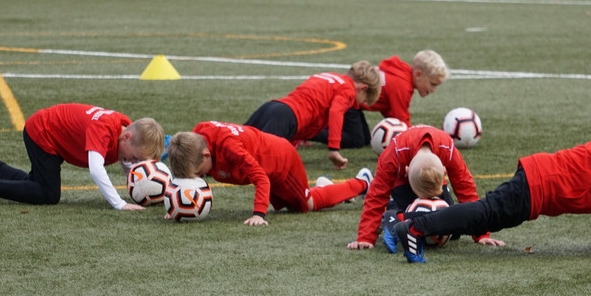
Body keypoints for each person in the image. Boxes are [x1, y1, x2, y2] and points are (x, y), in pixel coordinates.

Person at [393, 137, 591, 263]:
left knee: (483, 216)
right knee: (481, 214)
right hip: (538, 185)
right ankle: (415, 228)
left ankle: (405, 221)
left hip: (538, 181)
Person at [0, 104, 164, 210]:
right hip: (42, 133)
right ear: (127, 137)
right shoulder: (105, 130)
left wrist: (136, 185)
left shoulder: (124, 128)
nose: (134, 163)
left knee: (35, 184)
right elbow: (96, 169)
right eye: (135, 158)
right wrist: (119, 204)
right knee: (47, 194)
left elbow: (125, 161)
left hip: (51, 134)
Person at [166, 121, 372, 226]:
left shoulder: (230, 148)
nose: (198, 178)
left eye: (198, 173)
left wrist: (258, 214)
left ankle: (363, 182)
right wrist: (177, 204)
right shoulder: (195, 139)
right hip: (268, 158)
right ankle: (326, 187)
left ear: (206, 154)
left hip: (282, 163)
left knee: (307, 204)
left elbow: (260, 177)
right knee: (290, 206)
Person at [347, 125, 498, 252]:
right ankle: (390, 213)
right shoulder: (391, 157)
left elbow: (466, 189)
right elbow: (376, 196)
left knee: (453, 228)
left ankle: (400, 212)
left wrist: (481, 235)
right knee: (413, 222)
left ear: (443, 171)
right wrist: (366, 238)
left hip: (430, 169)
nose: (429, 201)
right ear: (406, 171)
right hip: (400, 180)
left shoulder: (448, 150)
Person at [244, 61, 381, 169]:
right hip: (287, 117)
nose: (359, 104)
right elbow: (336, 112)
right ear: (363, 88)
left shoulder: (330, 76)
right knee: (258, 164)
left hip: (272, 107)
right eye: (364, 100)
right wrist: (334, 149)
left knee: (237, 142)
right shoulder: (348, 89)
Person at [311, 50, 450, 151]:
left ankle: (320, 126)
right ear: (418, 75)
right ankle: (311, 132)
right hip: (350, 102)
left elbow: (389, 110)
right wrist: (419, 138)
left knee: (366, 139)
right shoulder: (402, 86)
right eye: (433, 84)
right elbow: (401, 120)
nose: (434, 89)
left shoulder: (401, 76)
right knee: (356, 140)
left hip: (355, 105)